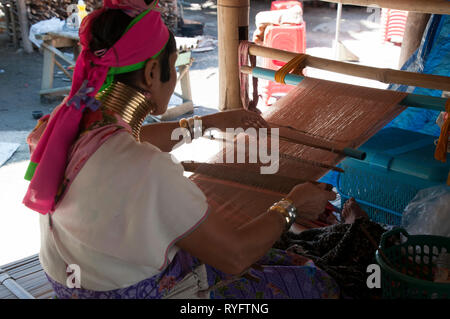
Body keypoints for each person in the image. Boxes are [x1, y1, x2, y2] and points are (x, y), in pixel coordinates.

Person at [24, 0, 340, 299]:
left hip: (79, 282)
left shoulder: (70, 126)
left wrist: (211, 122)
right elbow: (235, 255)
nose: (174, 77)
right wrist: (292, 206)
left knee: (278, 256)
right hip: (141, 291)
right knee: (315, 281)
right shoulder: (148, 167)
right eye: (173, 67)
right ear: (151, 73)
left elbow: (133, 140)